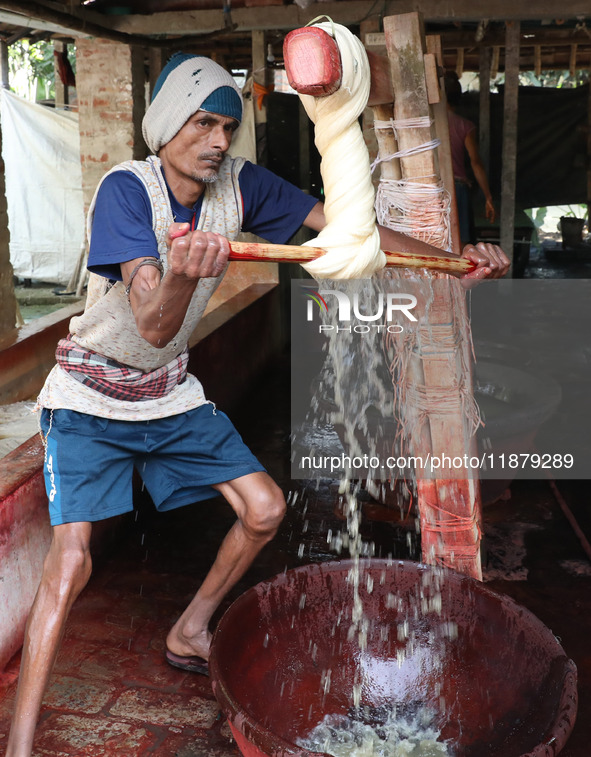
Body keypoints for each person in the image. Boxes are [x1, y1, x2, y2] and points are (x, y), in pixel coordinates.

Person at [6, 53, 508, 756]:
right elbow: (151, 321)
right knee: (73, 559)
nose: (217, 140)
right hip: (91, 392)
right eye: (202, 122)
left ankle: (190, 627)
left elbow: (346, 233)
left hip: (165, 392)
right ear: (164, 124)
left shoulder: (240, 186)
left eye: (226, 126)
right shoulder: (126, 191)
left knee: (264, 508)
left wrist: (451, 262)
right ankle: (20, 743)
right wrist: (182, 273)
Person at [445, 70, 496, 246]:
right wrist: (488, 196)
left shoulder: (428, 123)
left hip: (433, 188)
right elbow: (476, 162)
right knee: (462, 243)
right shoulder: (465, 126)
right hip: (457, 189)